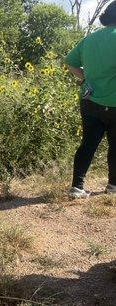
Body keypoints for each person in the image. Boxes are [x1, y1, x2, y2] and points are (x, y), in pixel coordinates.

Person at [65, 1, 116, 198]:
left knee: (88, 143)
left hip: (90, 101)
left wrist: (85, 78)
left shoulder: (89, 39)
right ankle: (113, 186)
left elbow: (70, 63)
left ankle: (77, 186)